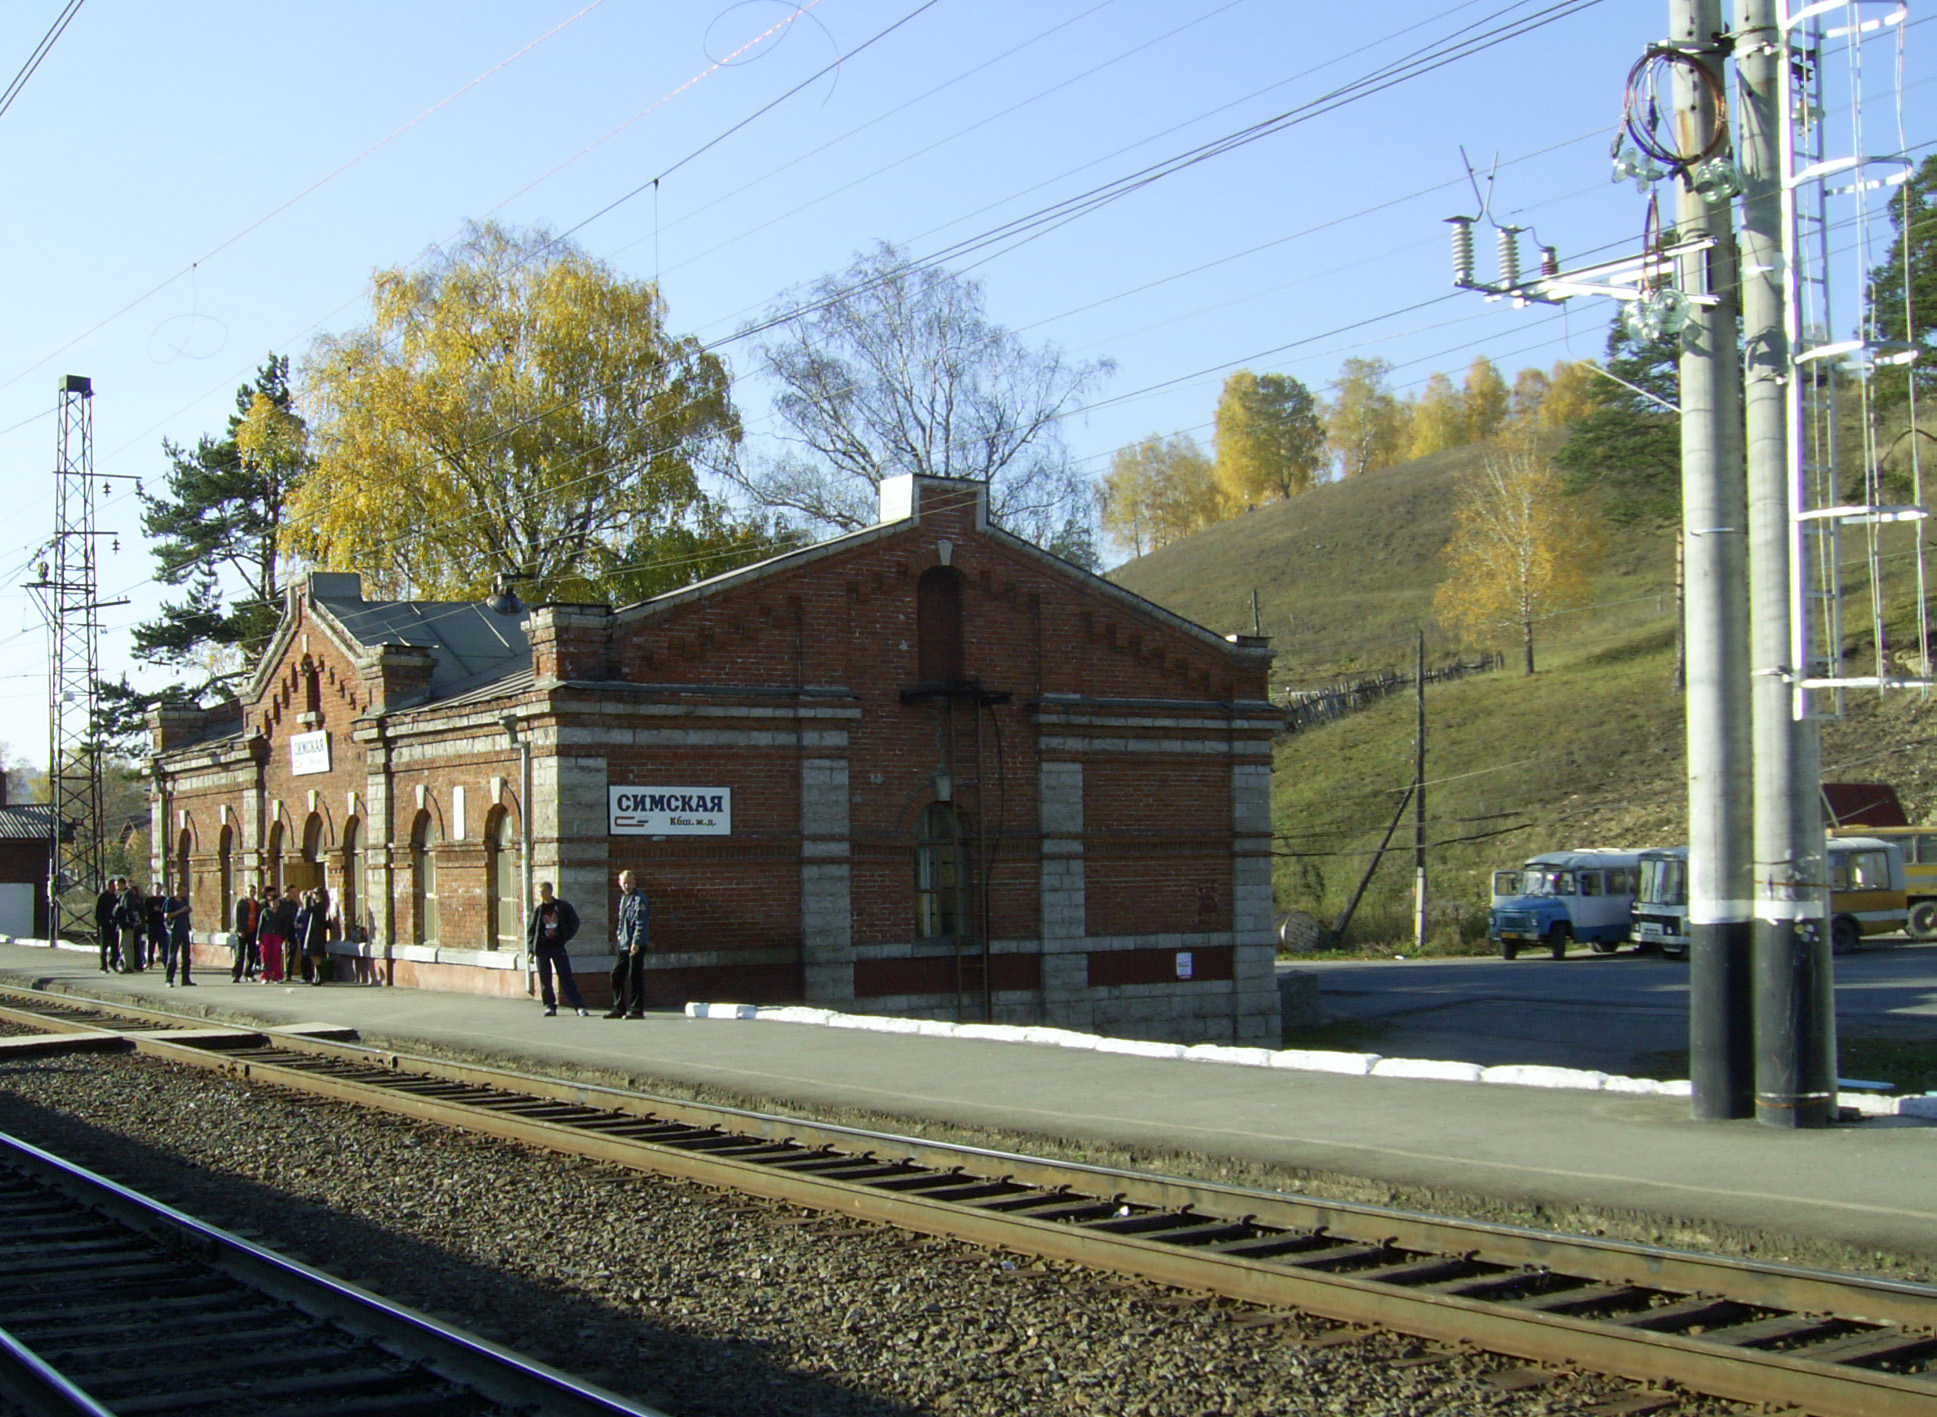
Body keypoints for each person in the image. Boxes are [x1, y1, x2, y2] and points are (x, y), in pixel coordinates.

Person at [528, 880, 586, 1017]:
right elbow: (532, 931)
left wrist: (565, 936)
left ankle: (579, 1005)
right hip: (542, 948)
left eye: (543, 892)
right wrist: (531, 950)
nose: (541, 895)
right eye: (540, 892)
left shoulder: (561, 907)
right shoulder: (539, 910)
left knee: (566, 976)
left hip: (557, 946)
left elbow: (575, 922)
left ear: (549, 891)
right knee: (545, 978)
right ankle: (550, 1006)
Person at [608, 869, 649, 1018]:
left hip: (636, 943)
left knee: (634, 976)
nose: (627, 886)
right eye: (624, 883)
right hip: (624, 943)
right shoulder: (623, 899)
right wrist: (619, 934)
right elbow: (621, 920)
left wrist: (636, 941)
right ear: (620, 883)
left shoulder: (639, 899)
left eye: (630, 882)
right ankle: (619, 1007)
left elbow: (641, 922)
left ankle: (637, 1009)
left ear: (634, 882)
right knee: (616, 974)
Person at [163, 887, 194, 986]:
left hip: (184, 929)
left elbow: (187, 911)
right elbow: (166, 916)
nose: (184, 892)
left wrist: (188, 910)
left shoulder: (184, 901)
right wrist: (181, 911)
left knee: (186, 955)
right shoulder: (170, 901)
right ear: (177, 890)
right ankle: (169, 979)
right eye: (182, 890)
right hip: (174, 930)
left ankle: (186, 979)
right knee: (173, 955)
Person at [257, 885, 288, 984]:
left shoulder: (281, 913)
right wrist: (258, 938)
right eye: (273, 902)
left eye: (276, 902)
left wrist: (283, 936)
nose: (274, 904)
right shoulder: (265, 912)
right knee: (265, 956)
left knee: (276, 956)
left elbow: (284, 925)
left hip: (277, 936)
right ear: (269, 903)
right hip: (266, 935)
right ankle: (265, 976)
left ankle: (277, 976)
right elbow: (260, 926)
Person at [300, 887, 330, 985]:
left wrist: (307, 898)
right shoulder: (319, 905)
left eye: (315, 894)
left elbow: (307, 909)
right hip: (315, 930)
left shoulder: (320, 906)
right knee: (313, 955)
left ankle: (320, 976)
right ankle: (318, 976)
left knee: (315, 955)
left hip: (317, 932)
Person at [114, 883, 146, 973]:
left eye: (118, 885)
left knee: (125, 945)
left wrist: (124, 921)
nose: (117, 887)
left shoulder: (127, 895)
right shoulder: (127, 896)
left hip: (126, 925)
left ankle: (128, 965)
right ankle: (130, 964)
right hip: (129, 925)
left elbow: (126, 909)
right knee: (129, 945)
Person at [231, 886, 259, 982]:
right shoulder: (241, 903)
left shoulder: (256, 904)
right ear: (246, 892)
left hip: (253, 931)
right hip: (243, 931)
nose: (252, 893)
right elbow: (236, 917)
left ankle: (248, 973)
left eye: (254, 891)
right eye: (250, 891)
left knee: (252, 954)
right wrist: (239, 930)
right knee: (240, 954)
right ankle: (236, 975)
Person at [95, 879, 121, 973]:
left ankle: (113, 963)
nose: (115, 888)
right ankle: (103, 966)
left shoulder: (115, 897)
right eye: (113, 886)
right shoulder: (102, 897)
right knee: (104, 947)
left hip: (113, 925)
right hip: (105, 925)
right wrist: (101, 923)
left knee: (115, 946)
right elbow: (98, 912)